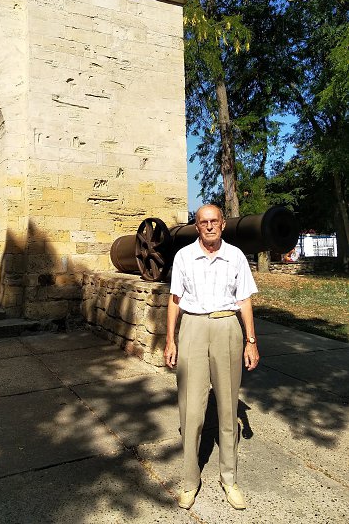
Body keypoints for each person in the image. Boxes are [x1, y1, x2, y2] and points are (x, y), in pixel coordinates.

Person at [164, 204, 259, 511]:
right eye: (203, 221)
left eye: (214, 221)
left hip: (227, 327)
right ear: (197, 226)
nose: (209, 226)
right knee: (191, 410)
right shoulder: (183, 257)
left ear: (222, 224)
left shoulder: (235, 256)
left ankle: (229, 479)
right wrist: (170, 339)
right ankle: (190, 481)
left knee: (228, 409)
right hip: (192, 327)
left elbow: (244, 300)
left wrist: (251, 341)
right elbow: (175, 300)